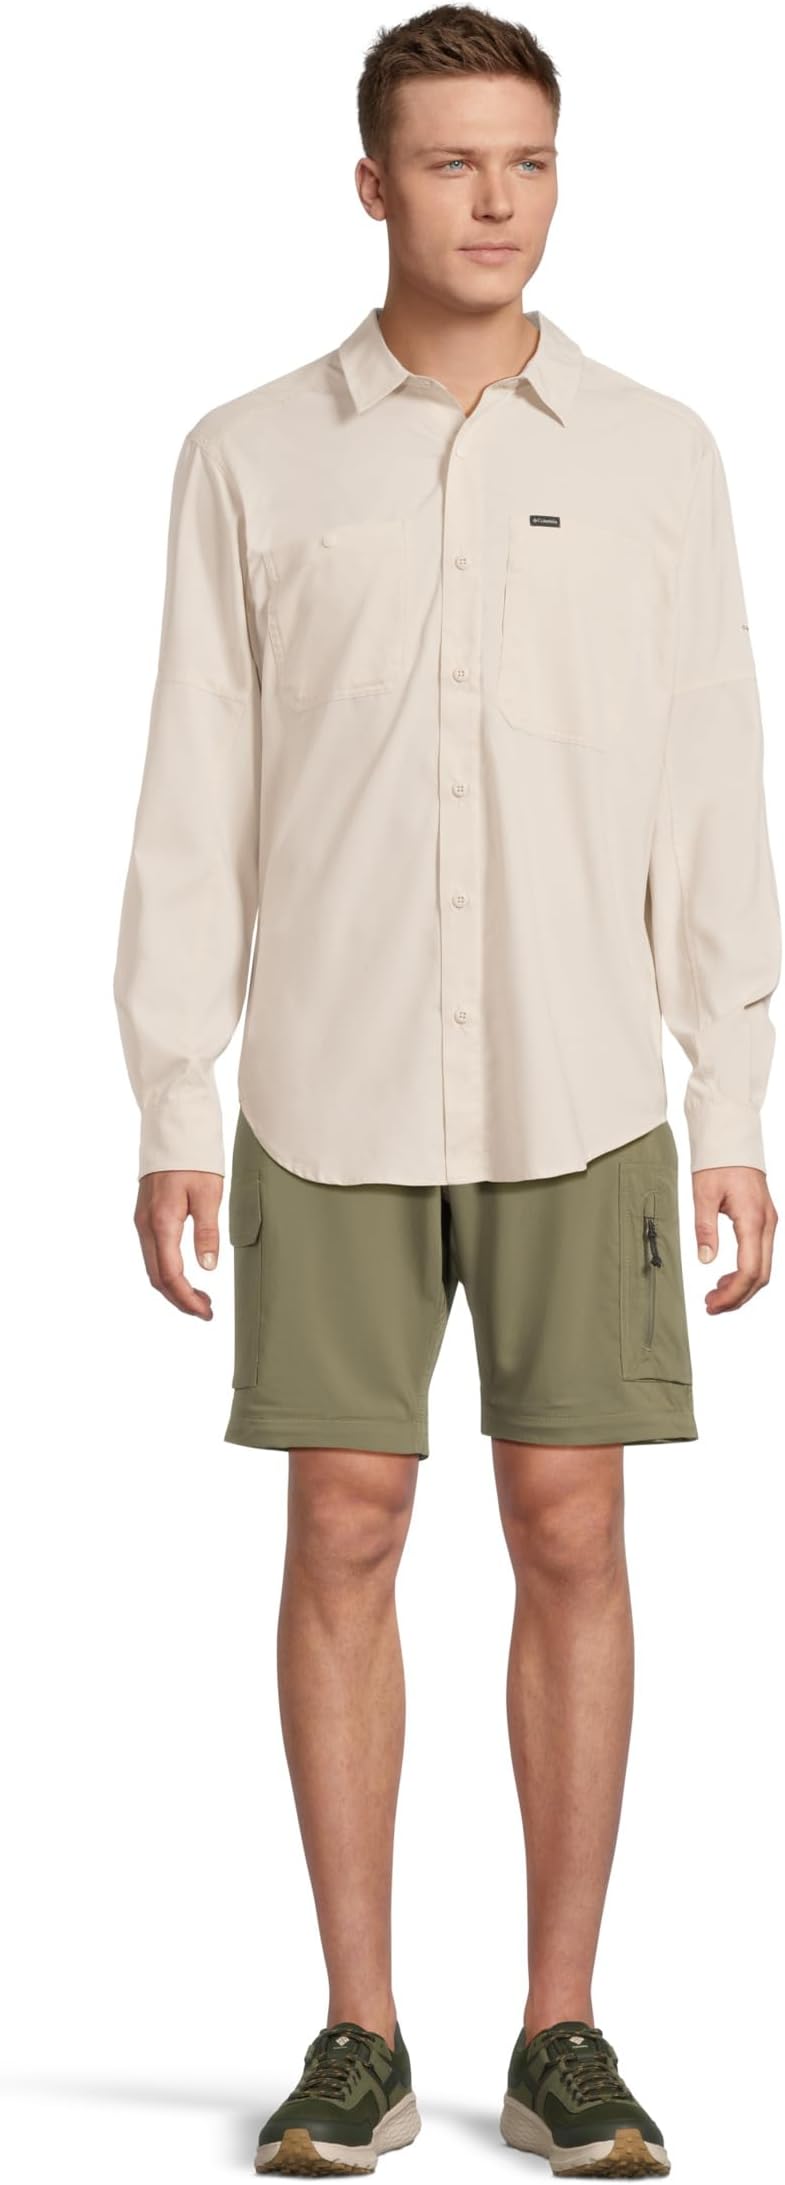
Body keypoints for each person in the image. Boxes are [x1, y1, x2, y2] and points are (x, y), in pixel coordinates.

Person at [112, 7, 781, 2177]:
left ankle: (563, 2029)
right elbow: (196, 786)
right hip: (328, 1079)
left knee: (574, 1524)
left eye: (529, 161)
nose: (495, 201)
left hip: (585, 1083)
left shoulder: (662, 452)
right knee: (344, 1520)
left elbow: (711, 776)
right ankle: (360, 2032)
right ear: (370, 183)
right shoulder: (250, 455)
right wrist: (174, 1094)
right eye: (450, 161)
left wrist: (734, 1088)